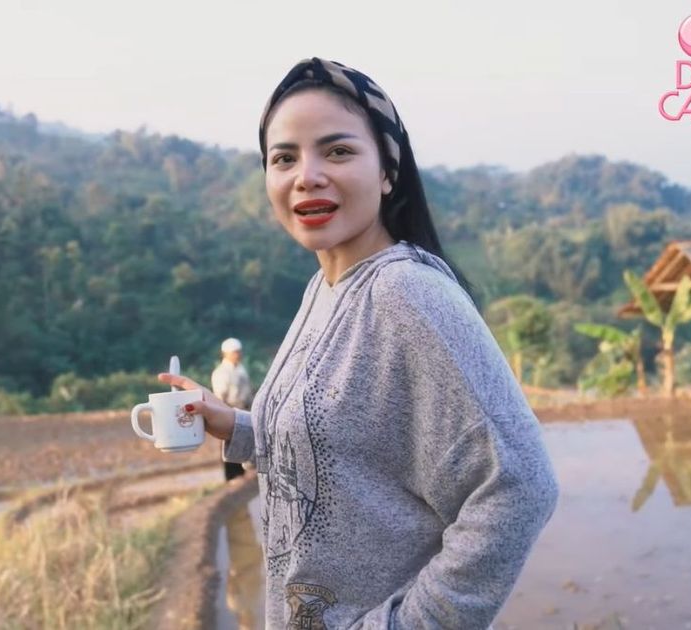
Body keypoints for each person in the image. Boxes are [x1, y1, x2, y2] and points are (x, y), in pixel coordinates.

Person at [159, 57, 559, 629]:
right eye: (284, 158)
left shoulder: (407, 293)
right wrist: (238, 427)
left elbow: (520, 486)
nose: (307, 176)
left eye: (338, 151)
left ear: (387, 171)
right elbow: (347, 453)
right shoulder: (323, 288)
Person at [212, 337, 253, 481]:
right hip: (229, 410)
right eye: (235, 352)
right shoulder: (221, 373)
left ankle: (241, 474)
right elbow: (220, 396)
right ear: (226, 354)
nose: (238, 355)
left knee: (242, 442)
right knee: (229, 442)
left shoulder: (241, 370)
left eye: (239, 352)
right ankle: (231, 476)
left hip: (243, 410)